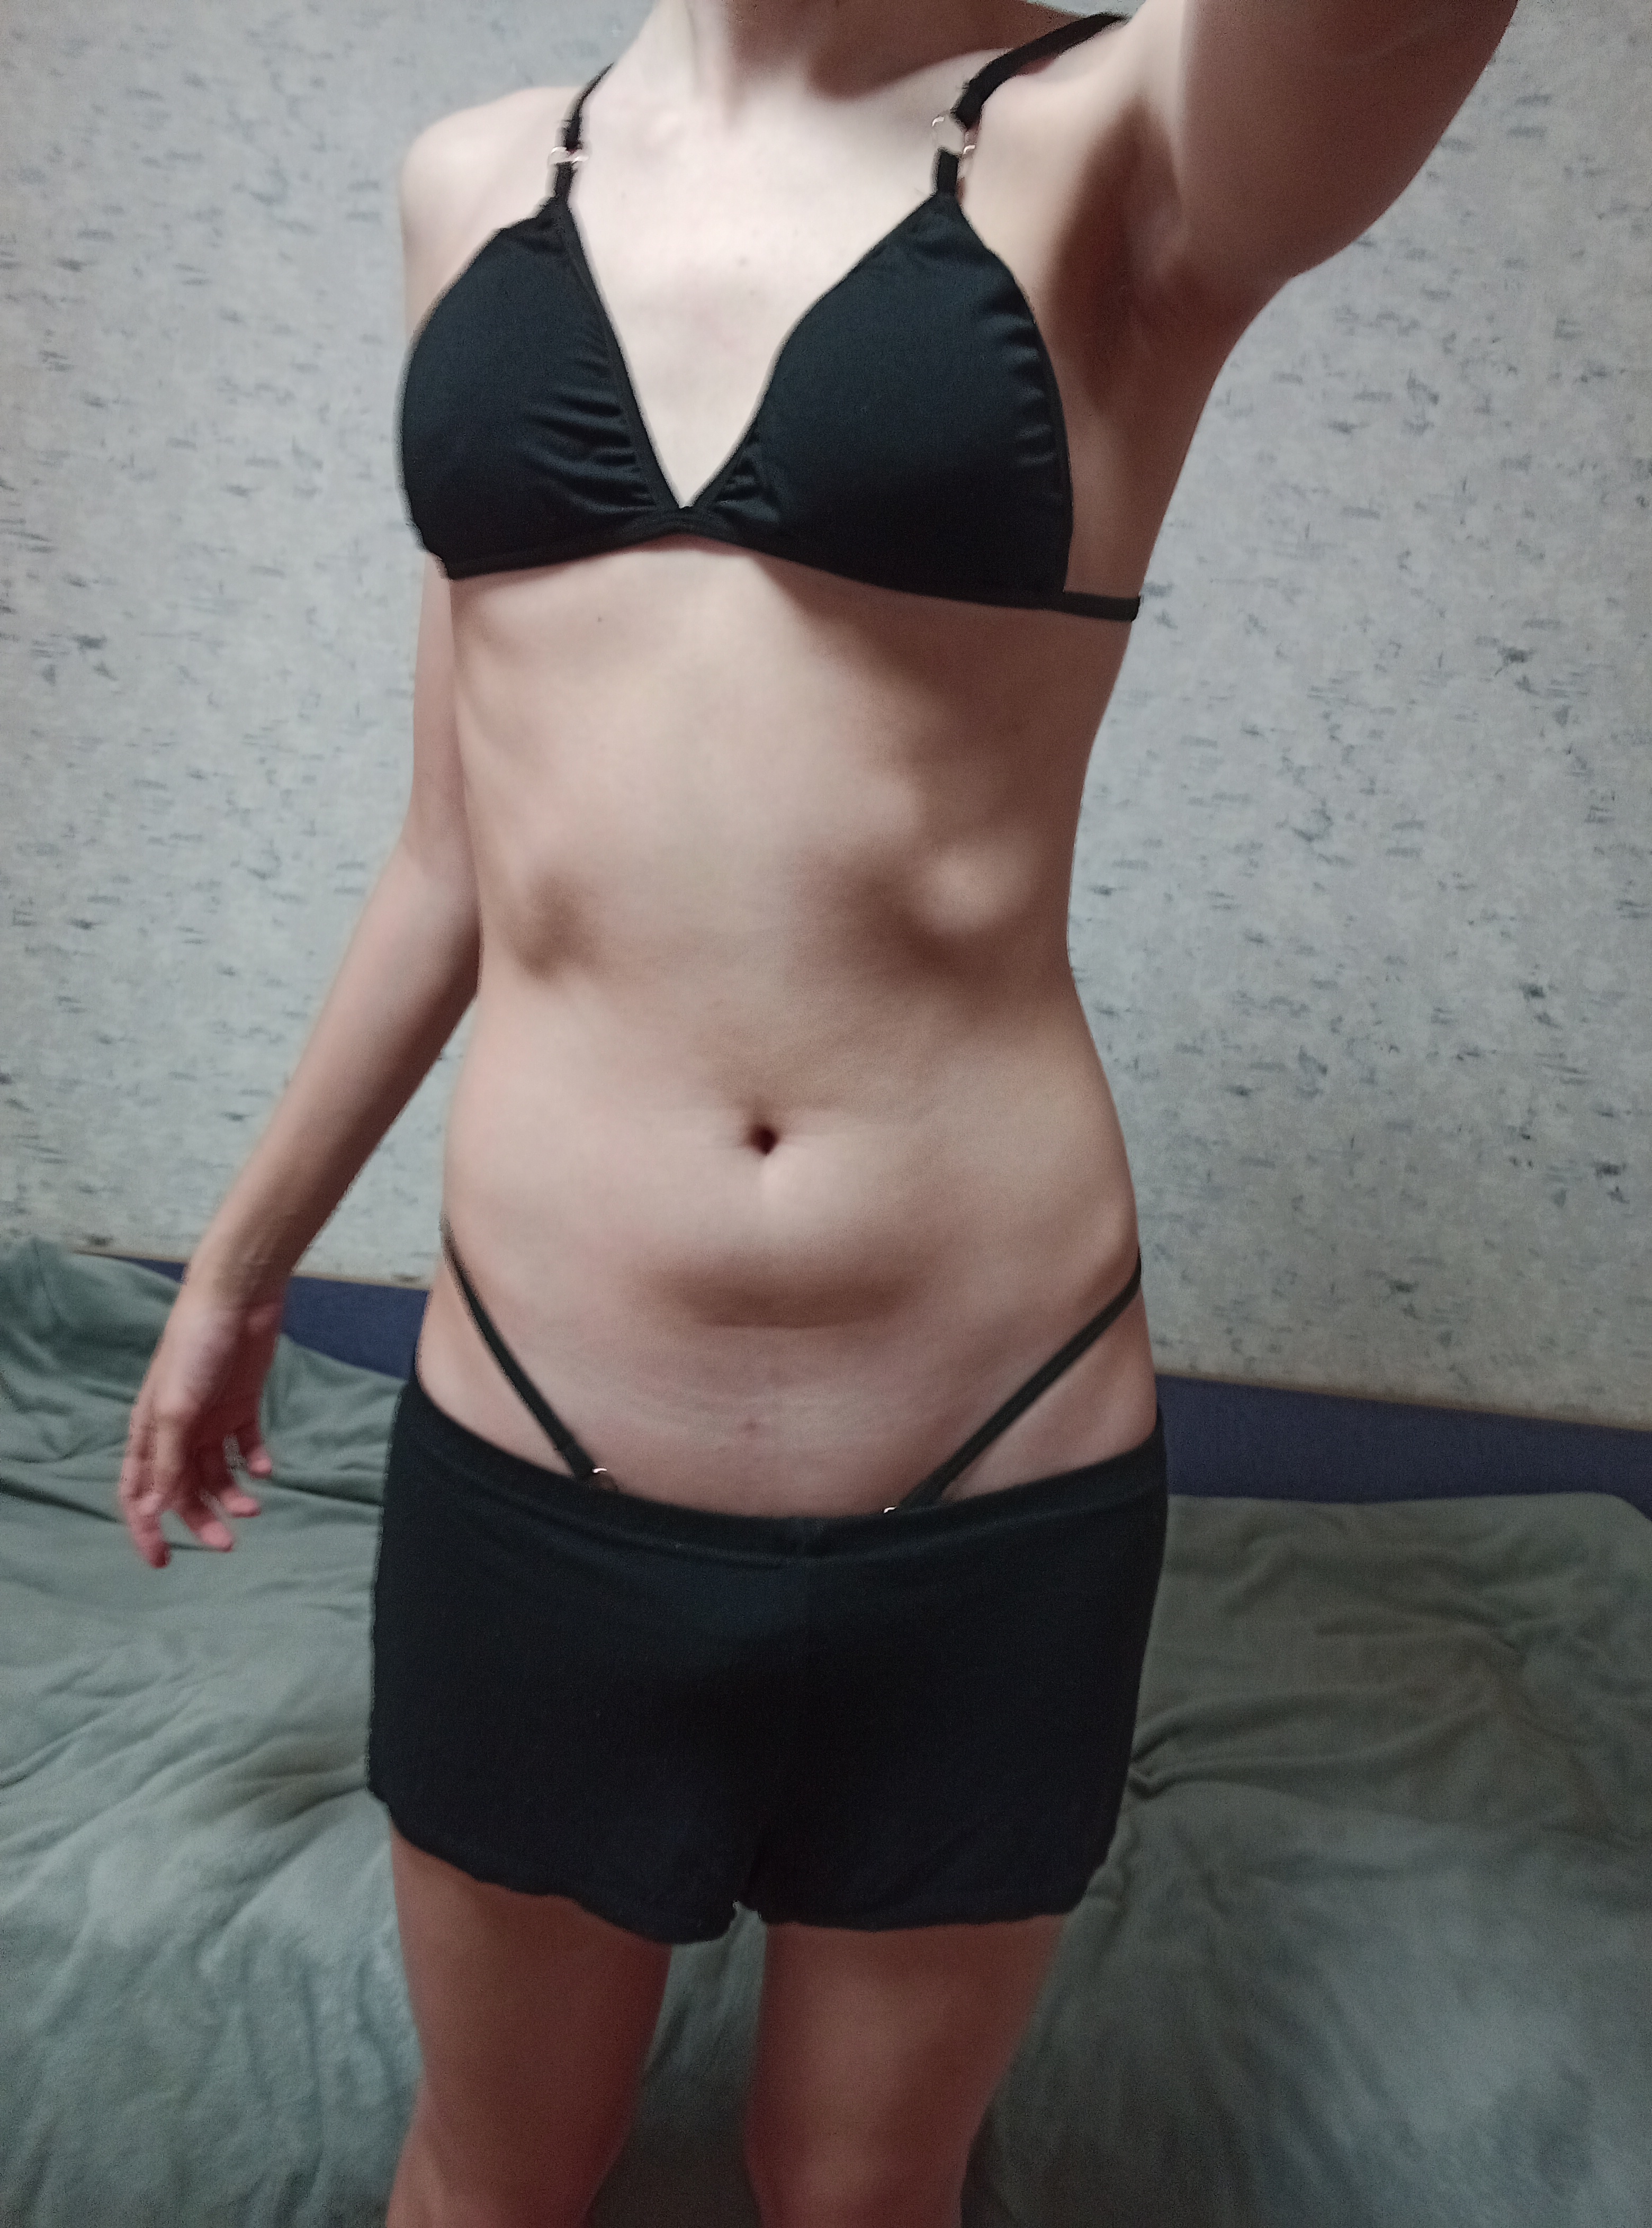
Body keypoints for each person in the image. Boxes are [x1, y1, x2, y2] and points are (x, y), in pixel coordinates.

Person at [118, 2, 1518, 2222]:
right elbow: (453, 855)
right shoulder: (475, 184)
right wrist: (235, 1268)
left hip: (993, 1442)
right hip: (532, 1419)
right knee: (490, 2178)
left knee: (863, 2195)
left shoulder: (1130, 130)